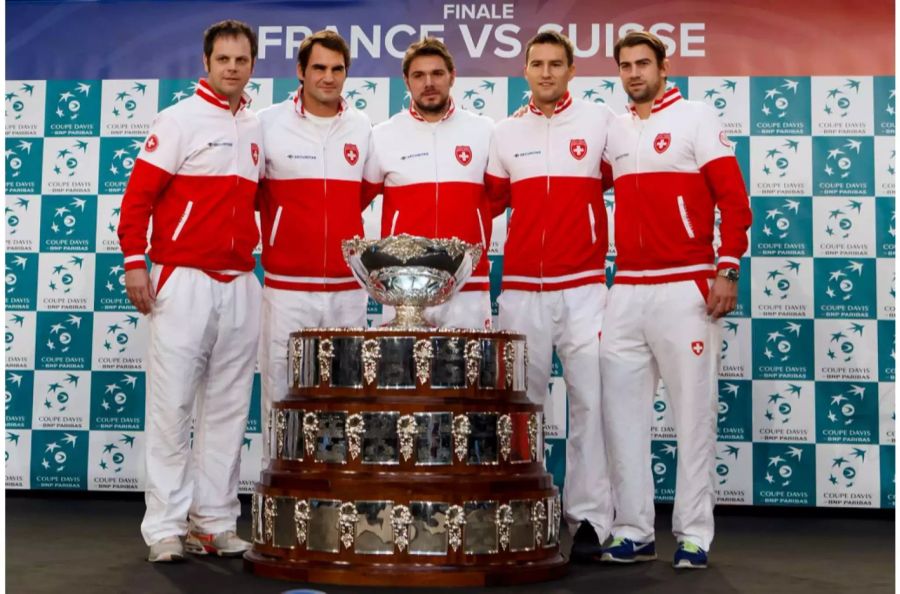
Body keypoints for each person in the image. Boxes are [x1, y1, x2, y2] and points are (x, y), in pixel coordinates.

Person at [598, 30, 752, 569]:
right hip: (625, 290)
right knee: (621, 418)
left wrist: (727, 267)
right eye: (625, 65)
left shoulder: (696, 117)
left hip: (686, 285)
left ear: (664, 67)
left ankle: (693, 534)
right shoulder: (612, 130)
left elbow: (734, 200)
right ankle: (633, 530)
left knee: (693, 417)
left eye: (643, 63)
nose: (634, 73)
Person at [118, 20, 264, 563]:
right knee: (171, 408)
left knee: (227, 411)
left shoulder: (255, 125)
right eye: (223, 58)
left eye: (241, 59)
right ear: (206, 63)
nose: (232, 67)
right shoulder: (176, 120)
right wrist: (137, 263)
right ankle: (163, 529)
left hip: (240, 281)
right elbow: (137, 201)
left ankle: (214, 522)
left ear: (252, 64)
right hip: (182, 280)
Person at [484, 30, 615, 562]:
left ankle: (588, 518)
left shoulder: (598, 123)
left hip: (583, 287)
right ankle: (522, 508)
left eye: (555, 64)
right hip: (520, 291)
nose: (545, 72)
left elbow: (625, 181)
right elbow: (488, 204)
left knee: (591, 403)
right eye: (536, 64)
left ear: (571, 70)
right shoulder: (504, 132)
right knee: (522, 407)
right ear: (525, 71)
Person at [256, 30, 373, 459]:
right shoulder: (265, 123)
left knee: (345, 396)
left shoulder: (361, 126)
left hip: (347, 290)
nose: (328, 77)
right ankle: (277, 491)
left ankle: (335, 495)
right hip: (287, 287)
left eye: (337, 69)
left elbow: (361, 194)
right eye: (319, 68)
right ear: (300, 72)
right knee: (281, 393)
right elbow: (250, 193)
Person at [363, 38, 493, 329]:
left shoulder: (484, 130)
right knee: (403, 376)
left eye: (437, 74)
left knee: (468, 376)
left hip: (466, 286)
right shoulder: (383, 135)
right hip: (402, 290)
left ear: (452, 76)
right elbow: (356, 198)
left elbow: (499, 196)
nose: (428, 83)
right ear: (407, 82)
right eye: (419, 75)